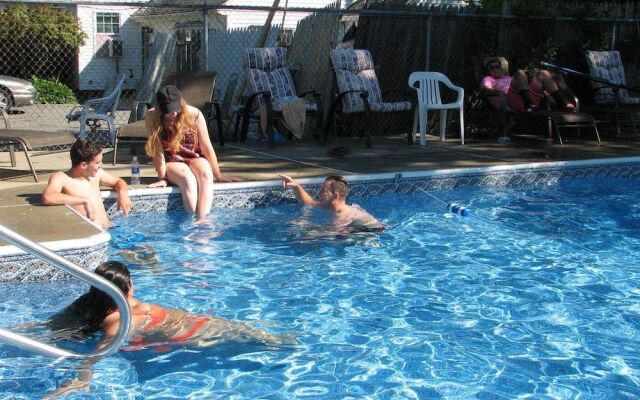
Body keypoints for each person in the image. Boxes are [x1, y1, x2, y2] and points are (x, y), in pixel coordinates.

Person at [46, 261, 296, 397]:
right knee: (261, 338)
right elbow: (99, 352)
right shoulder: (121, 319)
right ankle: (290, 343)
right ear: (127, 288)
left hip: (188, 327)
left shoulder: (89, 304)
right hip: (195, 331)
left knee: (252, 335)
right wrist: (81, 379)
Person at [144, 85, 240, 219]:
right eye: (168, 111)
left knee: (206, 173)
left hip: (194, 156)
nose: (173, 114)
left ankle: (202, 221)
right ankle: (191, 221)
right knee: (187, 179)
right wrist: (163, 178)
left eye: (175, 109)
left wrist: (218, 176)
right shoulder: (152, 116)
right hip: (172, 160)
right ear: (160, 108)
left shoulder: (194, 114)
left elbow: (207, 147)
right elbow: (157, 149)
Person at [42, 139, 132, 229]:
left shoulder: (97, 175)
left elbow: (118, 181)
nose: (101, 164)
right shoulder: (62, 178)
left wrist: (123, 194)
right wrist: (84, 200)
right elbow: (48, 197)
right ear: (83, 165)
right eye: (97, 162)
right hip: (91, 234)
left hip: (110, 228)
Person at [279, 174, 384, 233]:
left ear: (335, 195)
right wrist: (296, 186)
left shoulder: (345, 216)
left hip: (374, 232)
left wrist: (306, 226)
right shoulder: (329, 205)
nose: (319, 193)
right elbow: (308, 202)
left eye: (323, 190)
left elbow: (329, 233)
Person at [482, 57, 575, 113]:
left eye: (497, 67)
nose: (495, 69)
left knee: (544, 73)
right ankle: (528, 104)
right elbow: (486, 90)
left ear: (501, 69)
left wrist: (545, 91)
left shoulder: (508, 78)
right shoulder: (488, 79)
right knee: (520, 72)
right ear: (488, 70)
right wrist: (499, 92)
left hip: (527, 97)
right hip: (511, 101)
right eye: (492, 68)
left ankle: (562, 103)